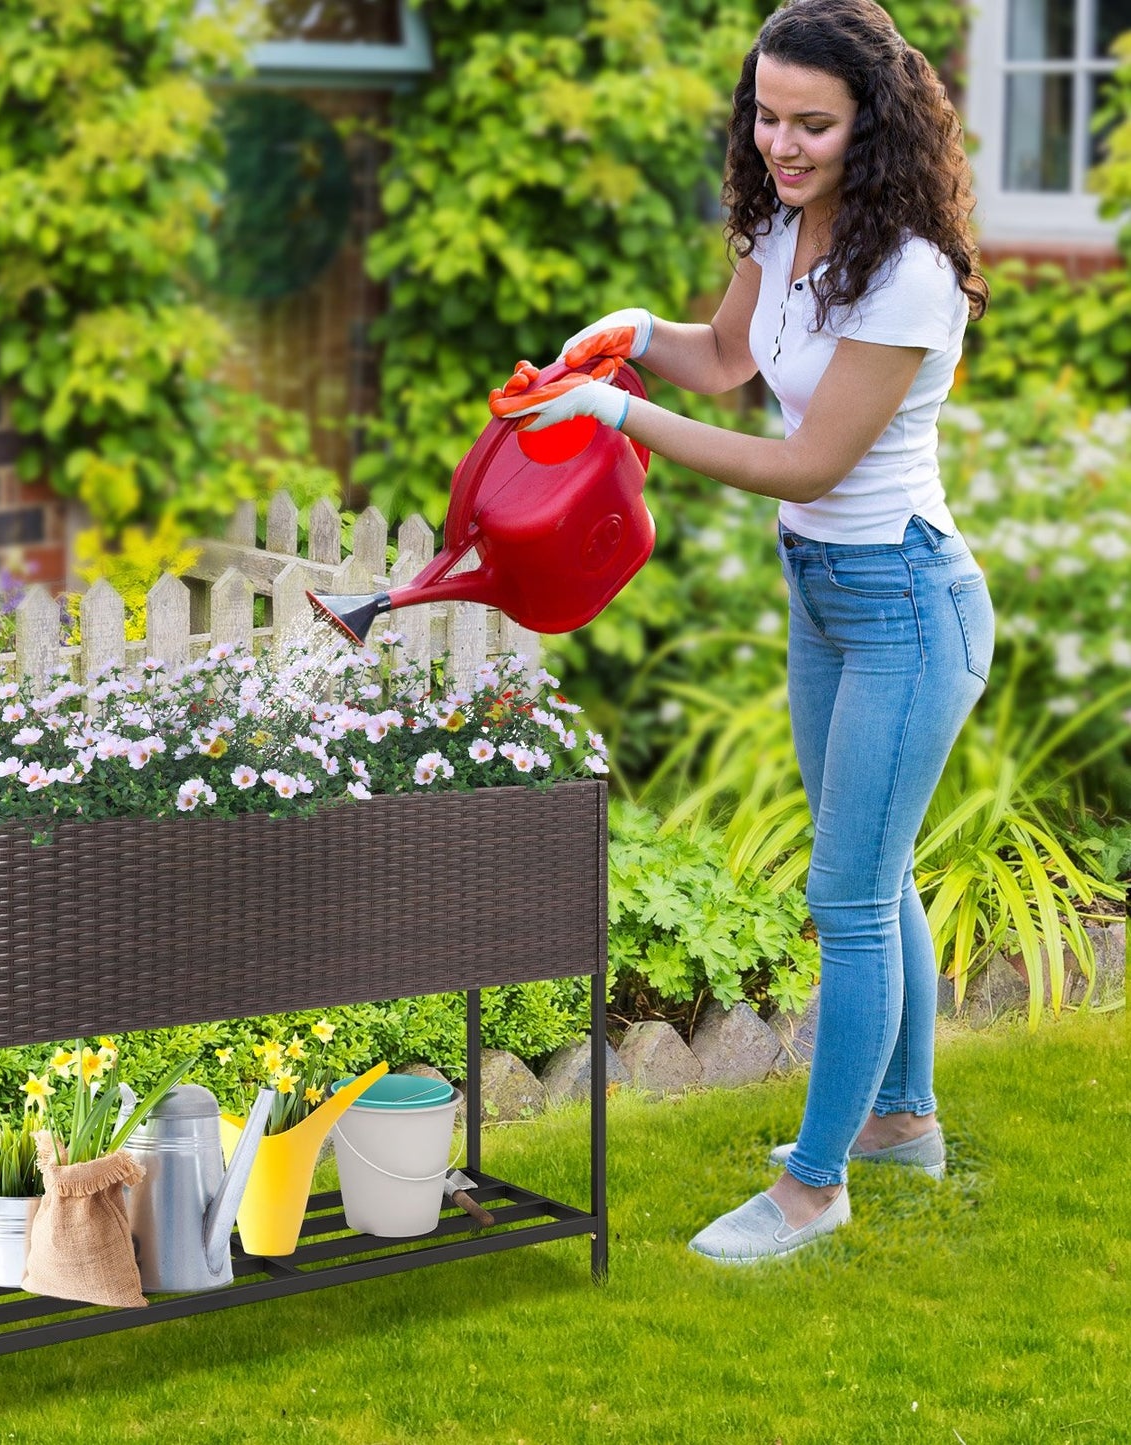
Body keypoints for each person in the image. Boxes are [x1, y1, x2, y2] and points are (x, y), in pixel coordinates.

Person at [488, 0, 994, 1263]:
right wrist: (629, 335)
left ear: (870, 124)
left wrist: (618, 417)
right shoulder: (778, 225)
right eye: (765, 114)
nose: (780, 141)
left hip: (904, 604)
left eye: (811, 123)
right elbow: (721, 358)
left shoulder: (908, 275)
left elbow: (808, 464)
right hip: (824, 600)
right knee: (866, 869)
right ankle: (903, 1120)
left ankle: (815, 1186)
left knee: (847, 896)